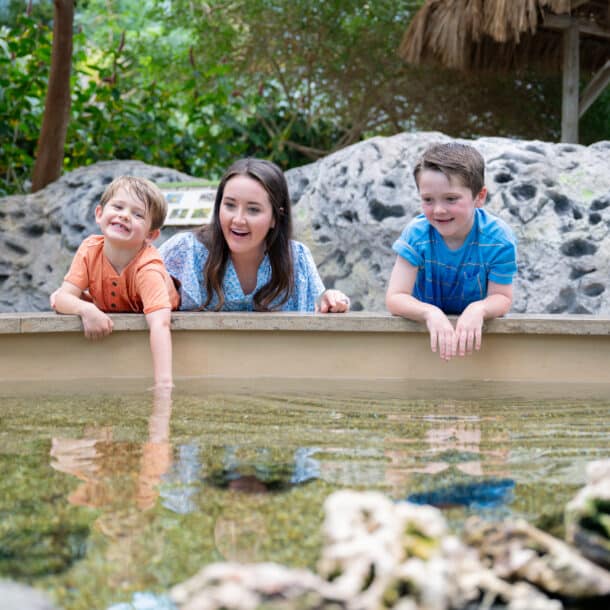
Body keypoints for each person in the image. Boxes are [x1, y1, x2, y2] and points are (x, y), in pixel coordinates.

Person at [159, 158, 349, 313]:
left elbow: (316, 309)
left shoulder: (297, 258)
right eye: (230, 205)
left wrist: (330, 301)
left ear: (275, 217)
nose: (238, 219)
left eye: (253, 210)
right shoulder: (185, 249)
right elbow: (134, 284)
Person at [386, 142, 517, 361]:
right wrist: (429, 313)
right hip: (422, 334)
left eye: (451, 199)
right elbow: (395, 297)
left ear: (480, 196)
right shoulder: (416, 235)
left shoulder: (498, 240)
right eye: (428, 199)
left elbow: (502, 297)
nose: (438, 209)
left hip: (474, 340)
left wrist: (480, 309)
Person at [52, 176, 180, 388]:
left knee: (61, 299)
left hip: (156, 303)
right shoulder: (89, 250)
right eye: (118, 207)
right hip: (112, 300)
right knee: (60, 298)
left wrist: (164, 384)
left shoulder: (147, 268)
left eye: (138, 214)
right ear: (99, 214)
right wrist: (86, 309)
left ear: (151, 235)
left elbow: (160, 324)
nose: (124, 216)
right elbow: (63, 298)